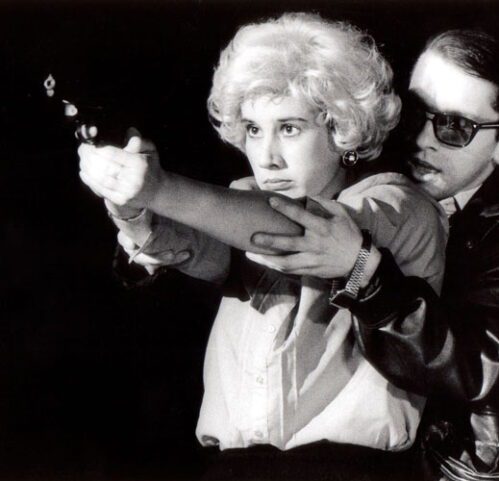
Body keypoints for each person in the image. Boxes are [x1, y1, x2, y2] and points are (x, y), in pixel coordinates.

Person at [77, 12, 446, 480]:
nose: (267, 156)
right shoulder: (243, 203)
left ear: (342, 129)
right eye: (253, 129)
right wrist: (130, 207)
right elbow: (188, 242)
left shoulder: (397, 204)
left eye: (289, 128)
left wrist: (159, 189)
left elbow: (293, 227)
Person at [248, 29, 499, 480]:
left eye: (455, 126)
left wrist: (364, 272)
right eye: (416, 113)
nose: (423, 138)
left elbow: (476, 364)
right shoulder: (376, 175)